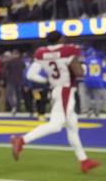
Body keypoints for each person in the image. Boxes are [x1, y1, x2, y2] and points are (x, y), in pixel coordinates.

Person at [10, 31, 100, 173]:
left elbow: (30, 75)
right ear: (61, 39)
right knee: (56, 125)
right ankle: (22, 140)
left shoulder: (41, 53)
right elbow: (79, 73)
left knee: (72, 127)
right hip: (66, 90)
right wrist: (82, 68)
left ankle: (84, 161)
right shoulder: (68, 50)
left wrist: (46, 81)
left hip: (56, 89)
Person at [2, 48, 25, 115]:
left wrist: (3, 79)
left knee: (9, 94)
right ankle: (18, 108)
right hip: (19, 80)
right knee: (18, 95)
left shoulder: (9, 61)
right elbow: (24, 71)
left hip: (11, 80)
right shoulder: (21, 61)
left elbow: (4, 71)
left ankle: (13, 106)